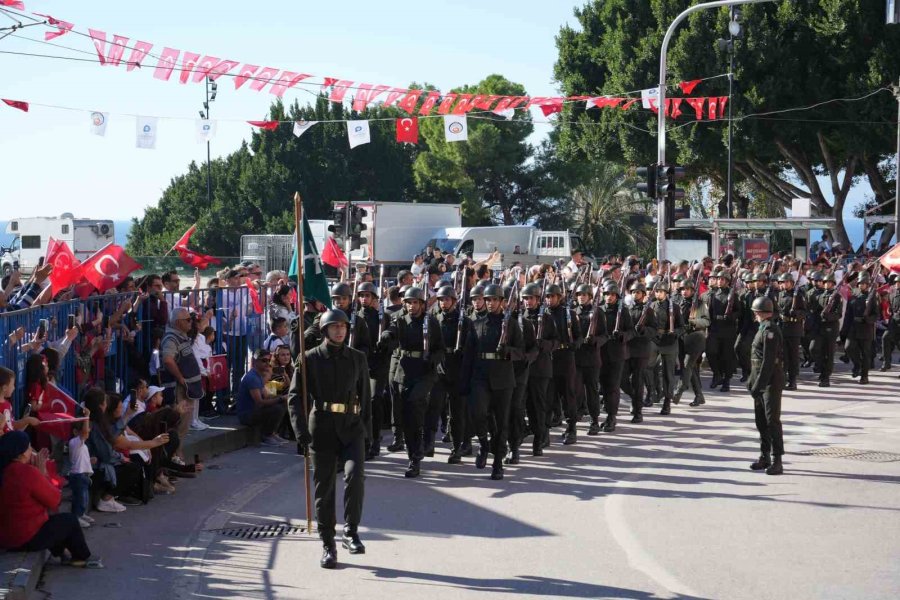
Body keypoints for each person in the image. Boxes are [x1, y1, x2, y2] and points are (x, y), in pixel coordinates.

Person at [288, 309, 371, 570]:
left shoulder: (357, 358)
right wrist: (301, 432)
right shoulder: (309, 358)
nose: (340, 331)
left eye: (343, 326)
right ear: (324, 330)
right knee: (324, 488)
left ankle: (351, 530)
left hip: (351, 426)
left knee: (355, 476)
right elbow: (295, 397)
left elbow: (365, 397)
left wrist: (367, 431)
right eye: (334, 326)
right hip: (322, 427)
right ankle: (328, 544)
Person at [0, 431, 103, 567]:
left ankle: (62, 552)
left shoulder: (5, 469)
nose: (31, 451)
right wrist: (43, 473)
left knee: (51, 520)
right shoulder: (26, 472)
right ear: (21, 454)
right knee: (69, 520)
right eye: (29, 447)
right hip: (23, 538)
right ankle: (82, 557)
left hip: (5, 537)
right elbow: (55, 500)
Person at [378, 286, 445, 478]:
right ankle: (413, 453)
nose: (411, 306)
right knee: (406, 417)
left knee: (415, 407)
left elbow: (440, 349)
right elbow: (392, 330)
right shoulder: (400, 320)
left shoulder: (431, 322)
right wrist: (386, 336)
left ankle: (416, 455)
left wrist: (432, 358)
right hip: (405, 371)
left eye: (415, 302)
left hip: (424, 373)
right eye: (408, 302)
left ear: (422, 304)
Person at [460, 284, 525, 480]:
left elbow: (521, 351)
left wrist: (508, 351)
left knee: (502, 422)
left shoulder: (511, 324)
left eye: (494, 300)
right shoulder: (476, 323)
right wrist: (464, 382)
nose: (490, 303)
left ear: (501, 302)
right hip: (480, 375)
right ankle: (483, 443)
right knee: (478, 413)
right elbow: (468, 355)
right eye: (487, 300)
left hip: (502, 378)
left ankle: (497, 463)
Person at [746, 296, 785, 476]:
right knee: (761, 421)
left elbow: (768, 361)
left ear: (761, 313)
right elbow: (756, 359)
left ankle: (777, 460)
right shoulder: (762, 328)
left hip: (770, 381)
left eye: (756, 312)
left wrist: (759, 385)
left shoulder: (770, 330)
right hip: (760, 380)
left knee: (772, 421)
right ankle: (765, 456)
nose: (755, 315)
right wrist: (752, 381)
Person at [160, 307, 206, 437]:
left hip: (187, 389)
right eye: (188, 320)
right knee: (179, 428)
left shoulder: (181, 336)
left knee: (184, 427)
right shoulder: (171, 339)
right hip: (179, 391)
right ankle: (176, 450)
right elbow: (168, 360)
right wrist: (181, 378)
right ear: (178, 322)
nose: (191, 322)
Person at [598, 281, 633, 432]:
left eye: (612, 295)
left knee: (613, 386)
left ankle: (612, 417)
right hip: (601, 352)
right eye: (607, 294)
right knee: (604, 386)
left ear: (617, 296)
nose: (609, 297)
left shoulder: (623, 311)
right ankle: (608, 413)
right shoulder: (599, 310)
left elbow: (631, 331)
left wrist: (622, 335)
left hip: (617, 353)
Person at [236, 349, 289, 447]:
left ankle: (272, 433)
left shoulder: (259, 375)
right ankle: (266, 436)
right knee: (277, 407)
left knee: (282, 403)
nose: (267, 363)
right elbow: (260, 402)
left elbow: (267, 395)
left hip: (255, 410)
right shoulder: (252, 378)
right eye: (264, 360)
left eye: (269, 360)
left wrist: (281, 397)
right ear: (255, 361)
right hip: (247, 415)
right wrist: (280, 399)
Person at [841, 272, 879, 384]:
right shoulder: (853, 297)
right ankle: (857, 364)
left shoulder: (871, 298)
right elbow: (848, 315)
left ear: (867, 285)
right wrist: (844, 330)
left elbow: (876, 315)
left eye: (863, 283)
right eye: (860, 283)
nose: (861, 285)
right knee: (848, 347)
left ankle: (864, 376)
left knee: (865, 354)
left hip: (866, 328)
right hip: (853, 327)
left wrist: (868, 319)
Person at [776, 273, 807, 390]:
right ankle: (783, 378)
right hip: (782, 328)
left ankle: (793, 380)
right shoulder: (780, 294)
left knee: (793, 356)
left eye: (786, 282)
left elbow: (804, 312)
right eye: (782, 282)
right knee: (783, 356)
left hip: (794, 329)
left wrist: (796, 313)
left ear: (791, 283)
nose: (784, 284)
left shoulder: (798, 295)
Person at [812, 273, 843, 387]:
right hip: (820, 327)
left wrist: (828, 316)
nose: (826, 284)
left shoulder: (837, 297)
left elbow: (838, 314)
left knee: (828, 354)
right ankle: (820, 368)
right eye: (825, 282)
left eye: (829, 282)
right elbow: (815, 311)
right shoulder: (820, 296)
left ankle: (826, 377)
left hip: (831, 328)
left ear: (833, 284)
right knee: (814, 348)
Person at [68, 418, 94, 527]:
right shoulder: (74, 442)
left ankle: (81, 514)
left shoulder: (82, 445)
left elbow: (81, 458)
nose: (87, 433)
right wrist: (87, 417)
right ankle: (76, 517)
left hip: (83, 474)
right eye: (85, 430)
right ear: (75, 431)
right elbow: (84, 434)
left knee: (84, 497)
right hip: (77, 475)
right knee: (79, 498)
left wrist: (90, 461)